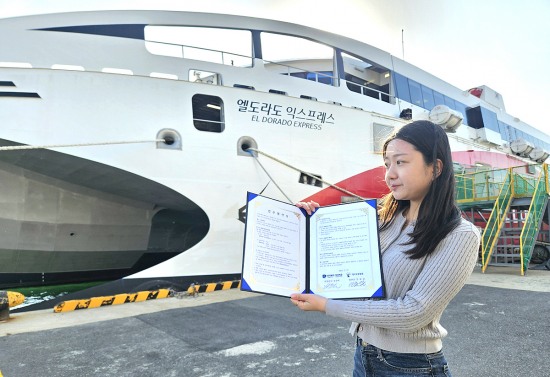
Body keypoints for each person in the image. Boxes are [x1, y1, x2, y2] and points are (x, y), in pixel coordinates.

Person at [292, 120, 480, 376]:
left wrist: (327, 305)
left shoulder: (460, 235)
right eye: (387, 164)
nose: (389, 174)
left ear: (435, 168)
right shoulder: (382, 220)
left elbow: (414, 312)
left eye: (400, 162)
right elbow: (339, 265)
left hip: (411, 366)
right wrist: (308, 222)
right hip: (364, 354)